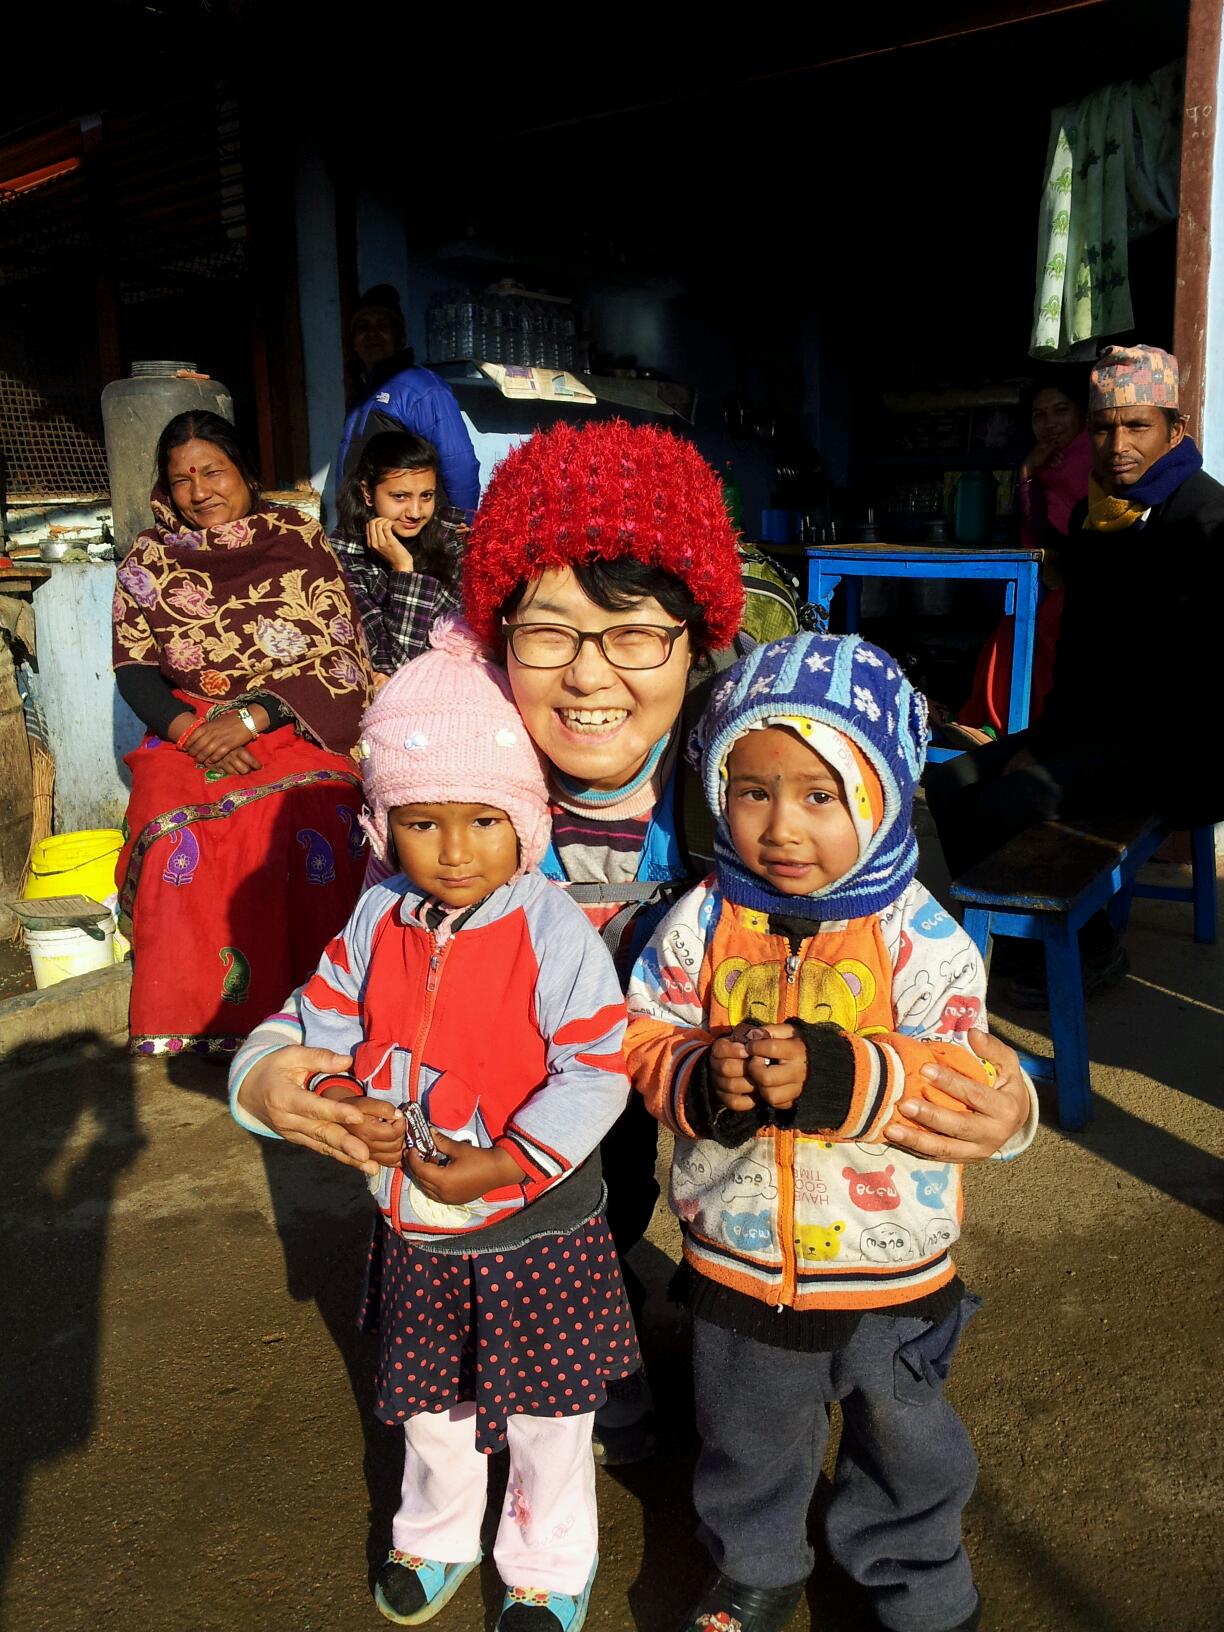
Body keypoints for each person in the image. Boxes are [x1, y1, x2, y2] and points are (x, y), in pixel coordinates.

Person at [230, 422, 1035, 1461]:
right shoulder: (458, 771)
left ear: (699, 636)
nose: (588, 677)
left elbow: (920, 969)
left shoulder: (775, 757)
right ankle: (577, 1324)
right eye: (548, 632)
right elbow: (368, 959)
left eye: (636, 633)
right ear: (496, 635)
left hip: (725, 1051)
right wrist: (268, 1070)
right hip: (545, 1061)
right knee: (578, 1181)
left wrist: (1002, 1104)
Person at [625, 632, 1037, 1632]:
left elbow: (964, 1069)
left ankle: (916, 1571)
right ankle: (757, 1565)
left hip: (890, 1265)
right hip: (736, 1257)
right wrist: (698, 1070)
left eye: (821, 795)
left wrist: (844, 1074)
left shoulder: (921, 936)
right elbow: (643, 1036)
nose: (781, 826)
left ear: (884, 797)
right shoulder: (697, 923)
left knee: (904, 1434)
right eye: (751, 789)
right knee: (748, 1433)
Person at [298, 619, 636, 1630]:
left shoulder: (554, 928)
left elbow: (596, 1067)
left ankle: (547, 1559)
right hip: (418, 1226)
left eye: (483, 820)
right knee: (433, 1408)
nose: (452, 850)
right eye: (421, 821)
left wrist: (504, 1161)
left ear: (524, 821)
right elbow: (323, 1020)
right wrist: (336, 1097)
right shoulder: (374, 919)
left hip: (536, 1222)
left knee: (548, 1413)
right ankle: (436, 1535)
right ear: (384, 825)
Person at [927, 344, 1224, 1005]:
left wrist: (1060, 753)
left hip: (1177, 742)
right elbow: (1081, 655)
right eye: (1104, 427)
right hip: (1102, 727)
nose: (1117, 444)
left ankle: (1091, 952)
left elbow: (1187, 681)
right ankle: (1026, 942)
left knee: (1011, 800)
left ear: (1175, 430)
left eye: (1137, 426)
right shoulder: (1101, 515)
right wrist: (1048, 739)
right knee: (951, 783)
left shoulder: (1205, 521)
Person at [112, 410, 374, 1054]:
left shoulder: (296, 536)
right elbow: (135, 670)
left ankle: (325, 1006)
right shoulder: (148, 560)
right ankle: (207, 1021)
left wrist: (253, 719)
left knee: (311, 807)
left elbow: (340, 656)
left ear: (244, 473)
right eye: (181, 480)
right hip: (190, 731)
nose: (199, 491)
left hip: (296, 721)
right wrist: (188, 731)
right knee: (172, 812)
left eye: (213, 471)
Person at [950, 370, 1091, 746]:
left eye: (1061, 410)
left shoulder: (1095, 458)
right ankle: (997, 727)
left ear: (1084, 414)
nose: (1049, 424)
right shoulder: (1048, 462)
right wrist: (1028, 470)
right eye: (1039, 415)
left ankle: (1020, 728)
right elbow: (1039, 534)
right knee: (1012, 627)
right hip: (1054, 578)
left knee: (1042, 622)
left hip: (1088, 580)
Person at [337, 285, 481, 515]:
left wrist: (462, 525)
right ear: (353, 340)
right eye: (363, 326)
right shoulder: (363, 396)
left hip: (413, 537)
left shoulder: (422, 388)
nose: (372, 334)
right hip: (368, 535)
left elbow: (459, 464)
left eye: (382, 326)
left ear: (400, 337)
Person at [330, 430, 462, 673]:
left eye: (426, 496)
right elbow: (396, 664)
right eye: (400, 497)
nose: (414, 511)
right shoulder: (345, 564)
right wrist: (403, 569)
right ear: (368, 494)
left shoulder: (453, 537)